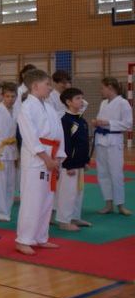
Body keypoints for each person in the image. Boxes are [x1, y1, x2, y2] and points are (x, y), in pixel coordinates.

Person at [15, 69, 66, 256]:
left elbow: (59, 133)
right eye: (47, 84)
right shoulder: (26, 107)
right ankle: (23, 240)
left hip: (51, 155)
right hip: (36, 159)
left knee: (46, 200)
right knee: (32, 199)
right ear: (35, 86)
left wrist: (58, 157)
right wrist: (46, 158)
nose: (50, 88)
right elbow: (30, 137)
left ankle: (40, 237)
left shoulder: (49, 107)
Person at [92, 77, 133, 216]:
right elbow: (101, 119)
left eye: (102, 88)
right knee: (102, 173)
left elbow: (128, 124)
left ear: (110, 87)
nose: (101, 90)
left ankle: (120, 205)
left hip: (114, 141)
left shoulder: (123, 103)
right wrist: (97, 122)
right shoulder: (103, 103)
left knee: (116, 174)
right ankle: (108, 204)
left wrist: (108, 123)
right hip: (101, 140)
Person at [55, 87, 91, 231]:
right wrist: (68, 164)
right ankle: (64, 221)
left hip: (79, 163)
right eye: (78, 98)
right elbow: (66, 144)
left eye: (82, 98)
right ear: (68, 102)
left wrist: (85, 161)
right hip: (69, 164)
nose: (81, 101)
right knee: (67, 193)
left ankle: (74, 216)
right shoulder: (65, 121)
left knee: (78, 192)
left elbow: (84, 143)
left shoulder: (81, 120)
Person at [0, 82, 19, 222]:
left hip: (12, 149)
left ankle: (7, 209)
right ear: (2, 96)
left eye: (13, 96)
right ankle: (0, 211)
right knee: (0, 183)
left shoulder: (17, 110)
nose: (10, 99)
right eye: (7, 96)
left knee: (10, 183)